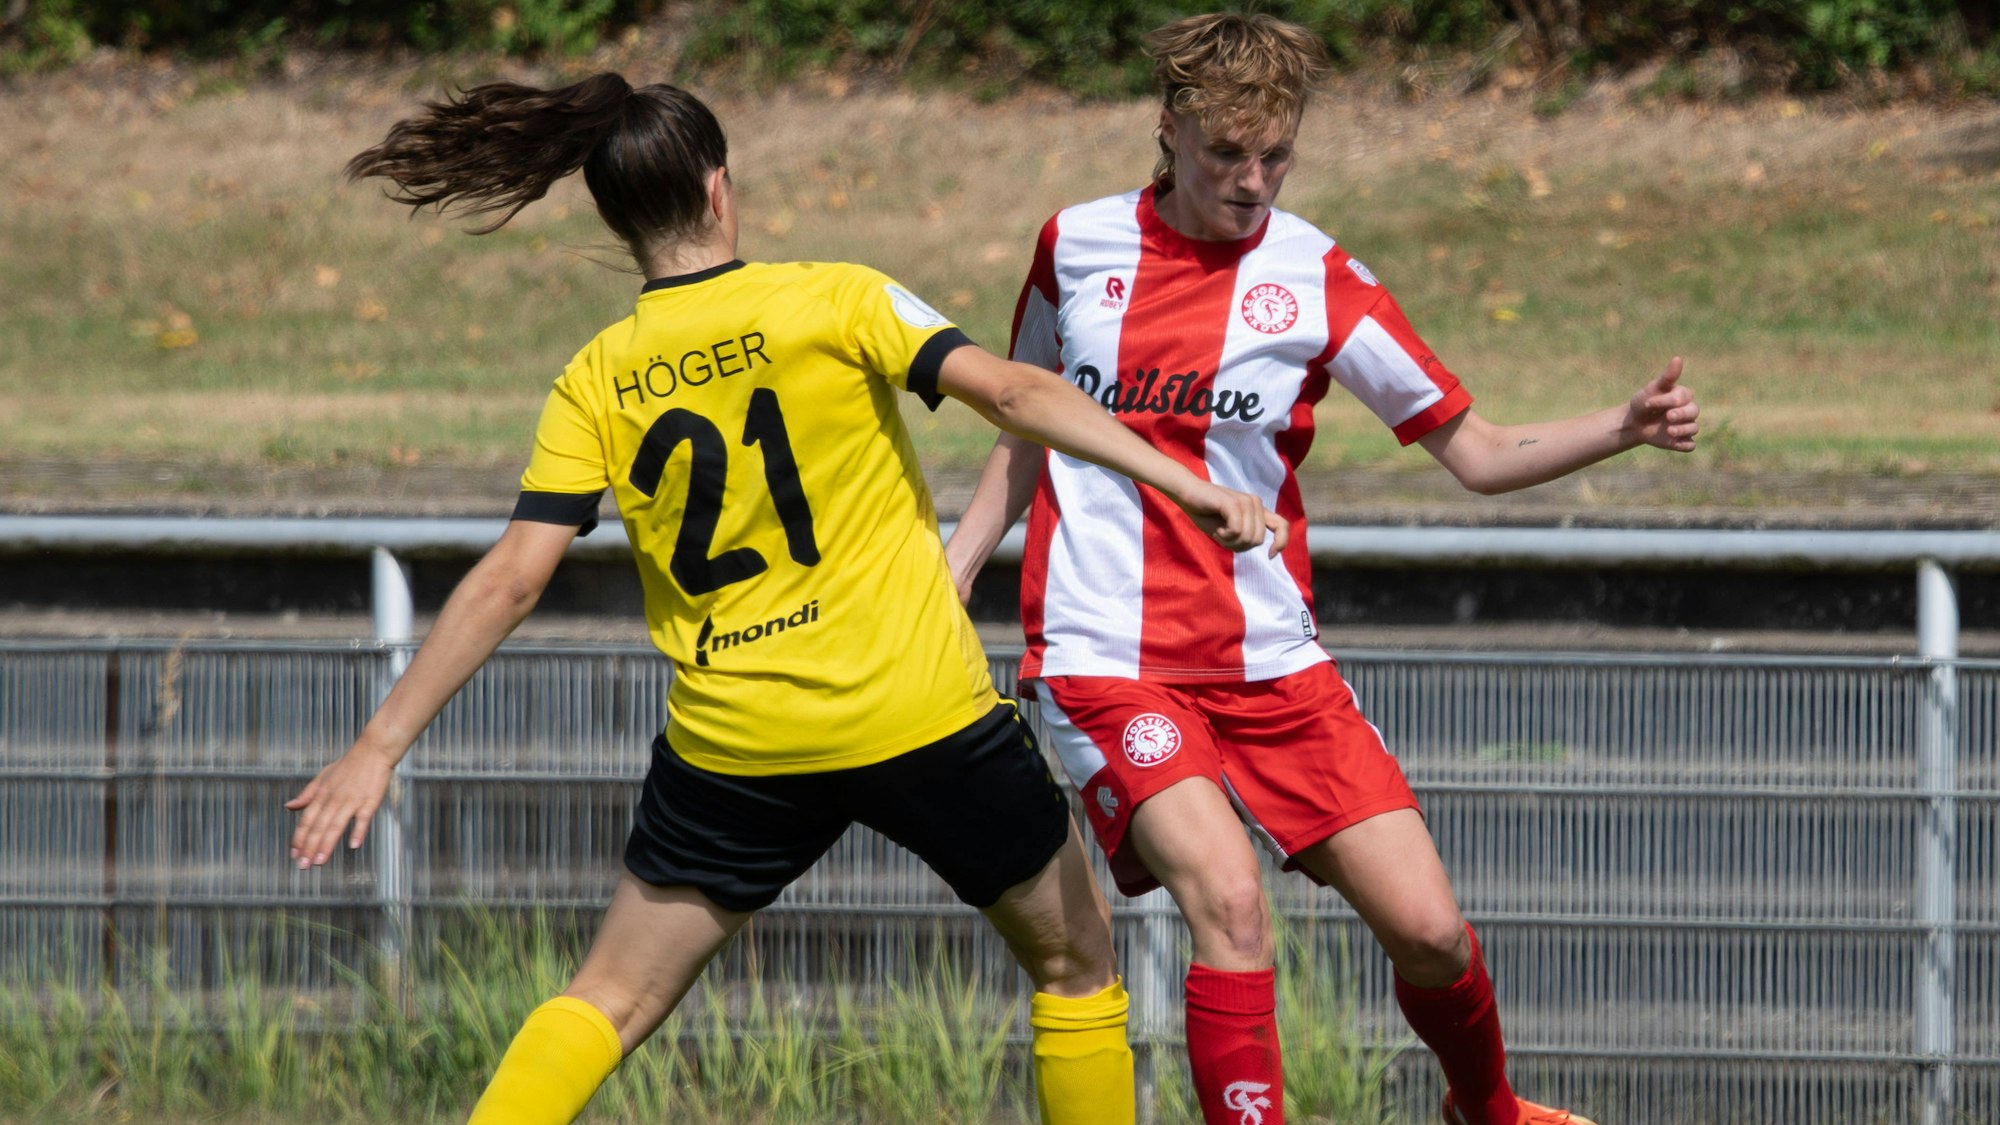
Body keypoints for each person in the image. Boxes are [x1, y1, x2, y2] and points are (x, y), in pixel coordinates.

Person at [284, 73, 1288, 1125]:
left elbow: (512, 577)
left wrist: (379, 745)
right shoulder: (836, 296)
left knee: (607, 1000)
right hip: (918, 717)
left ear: (616, 216)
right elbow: (1015, 392)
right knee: (1076, 971)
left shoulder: (597, 378)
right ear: (720, 190)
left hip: (738, 745)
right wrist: (1185, 480)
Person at [943, 14, 1700, 1125]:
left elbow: (1478, 455)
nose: (1249, 182)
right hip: (1105, 654)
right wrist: (957, 563)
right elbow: (1026, 421)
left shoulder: (1318, 275)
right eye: (1223, 156)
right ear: (1168, 132)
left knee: (1430, 931)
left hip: (1269, 659)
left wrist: (1622, 426)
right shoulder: (1076, 244)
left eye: (1274, 158)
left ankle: (1485, 1109)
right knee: (1230, 905)